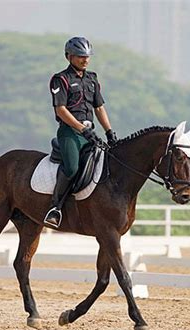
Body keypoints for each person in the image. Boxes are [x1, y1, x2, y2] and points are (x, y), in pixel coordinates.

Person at [44, 36, 118, 228]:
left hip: (90, 133)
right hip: (70, 133)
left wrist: (109, 131)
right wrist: (81, 128)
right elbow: (60, 109)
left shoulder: (92, 79)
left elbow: (99, 108)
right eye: (80, 56)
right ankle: (55, 208)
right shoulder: (60, 79)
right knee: (72, 168)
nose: (85, 60)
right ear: (69, 56)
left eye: (87, 56)